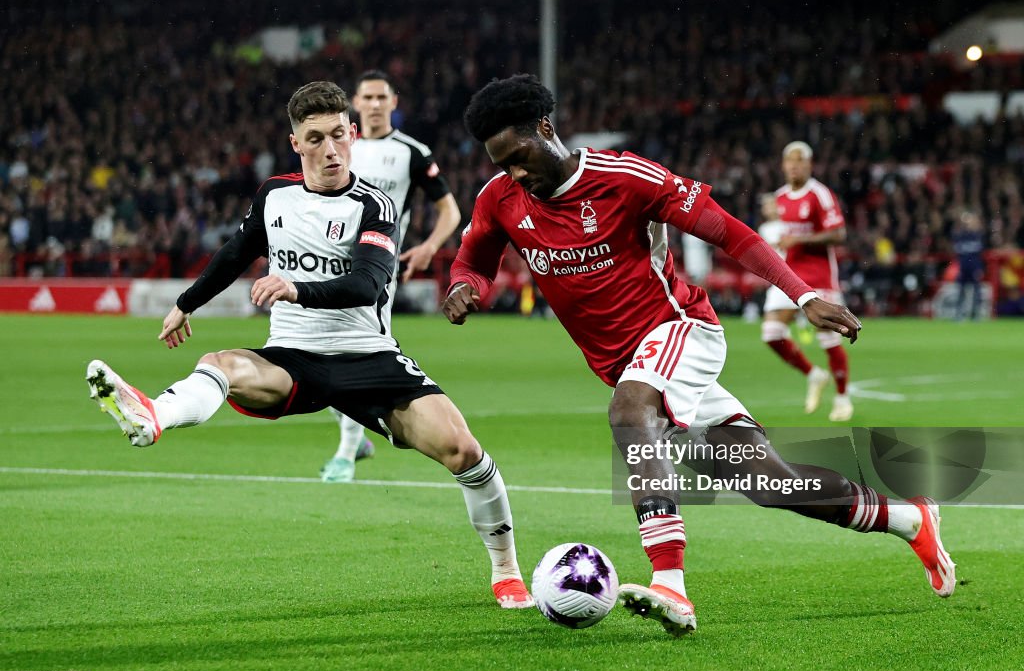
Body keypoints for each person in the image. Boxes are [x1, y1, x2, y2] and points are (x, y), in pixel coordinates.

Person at [443, 74, 955, 636]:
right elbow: (472, 261)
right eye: (502, 163)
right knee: (771, 483)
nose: (514, 172)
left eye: (518, 156)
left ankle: (671, 584)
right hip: (629, 362)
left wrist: (802, 293)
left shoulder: (625, 178)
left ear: (546, 128)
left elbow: (730, 233)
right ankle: (910, 519)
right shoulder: (500, 199)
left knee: (628, 412)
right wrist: (464, 285)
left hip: (680, 330)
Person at [86, 81, 532, 610]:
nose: (330, 149)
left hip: (368, 357)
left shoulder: (375, 204)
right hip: (294, 358)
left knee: (465, 451)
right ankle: (153, 416)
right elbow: (236, 251)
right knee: (220, 364)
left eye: (339, 135)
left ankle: (506, 570)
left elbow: (366, 286)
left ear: (352, 135)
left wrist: (295, 288)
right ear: (295, 143)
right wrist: (186, 303)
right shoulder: (274, 194)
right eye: (315, 138)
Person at [320, 70, 463, 483]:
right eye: (368, 97)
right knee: (312, 350)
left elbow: (450, 211)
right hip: (328, 263)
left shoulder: (412, 152)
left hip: (377, 268)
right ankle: (357, 438)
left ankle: (347, 452)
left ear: (393, 103)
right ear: (356, 103)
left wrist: (431, 246)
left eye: (383, 97)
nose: (376, 104)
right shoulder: (338, 145)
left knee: (357, 352)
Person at [763, 142, 853, 422]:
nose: (794, 165)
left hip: (819, 274)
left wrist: (799, 239)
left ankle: (842, 398)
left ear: (810, 164)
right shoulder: (779, 197)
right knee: (772, 334)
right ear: (782, 165)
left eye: (800, 160)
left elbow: (838, 234)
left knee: (829, 337)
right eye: (789, 160)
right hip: (789, 275)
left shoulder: (820, 194)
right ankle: (814, 375)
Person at [952, 209, 986, 321]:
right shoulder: (960, 236)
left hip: (974, 267)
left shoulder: (978, 235)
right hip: (963, 267)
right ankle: (959, 313)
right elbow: (958, 253)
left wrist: (979, 268)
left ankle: (976, 314)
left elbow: (979, 254)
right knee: (961, 290)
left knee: (976, 290)